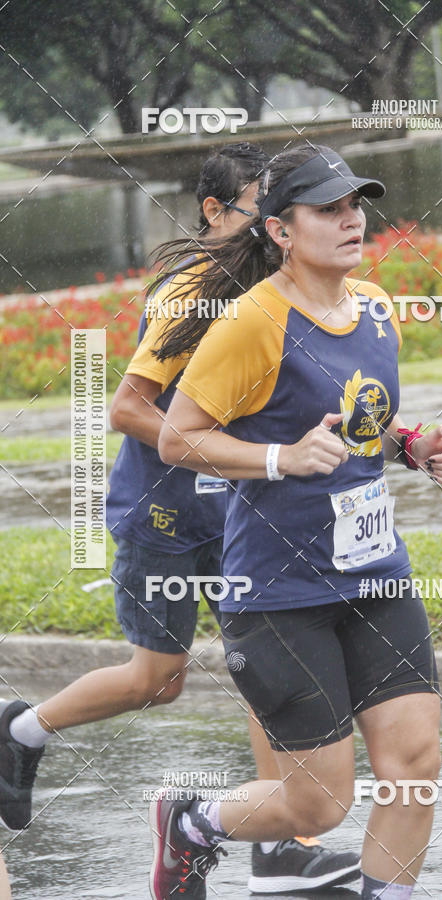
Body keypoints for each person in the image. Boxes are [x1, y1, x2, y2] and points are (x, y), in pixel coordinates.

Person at [0, 142, 357, 893]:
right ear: (214, 211)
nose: (272, 221)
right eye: (259, 208)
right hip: (162, 513)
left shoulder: (275, 286)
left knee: (267, 670)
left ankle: (280, 846)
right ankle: (20, 730)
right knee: (157, 681)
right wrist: (220, 449)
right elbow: (128, 409)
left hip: (239, 516)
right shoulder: (191, 290)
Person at [150, 144, 442, 899]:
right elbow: (175, 438)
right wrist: (279, 458)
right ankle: (190, 821)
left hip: (376, 575)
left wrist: (412, 446)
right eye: (328, 209)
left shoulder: (377, 309)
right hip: (280, 593)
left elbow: (361, 424)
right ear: (281, 231)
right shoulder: (252, 322)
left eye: (355, 205)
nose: (352, 220)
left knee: (415, 767)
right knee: (319, 803)